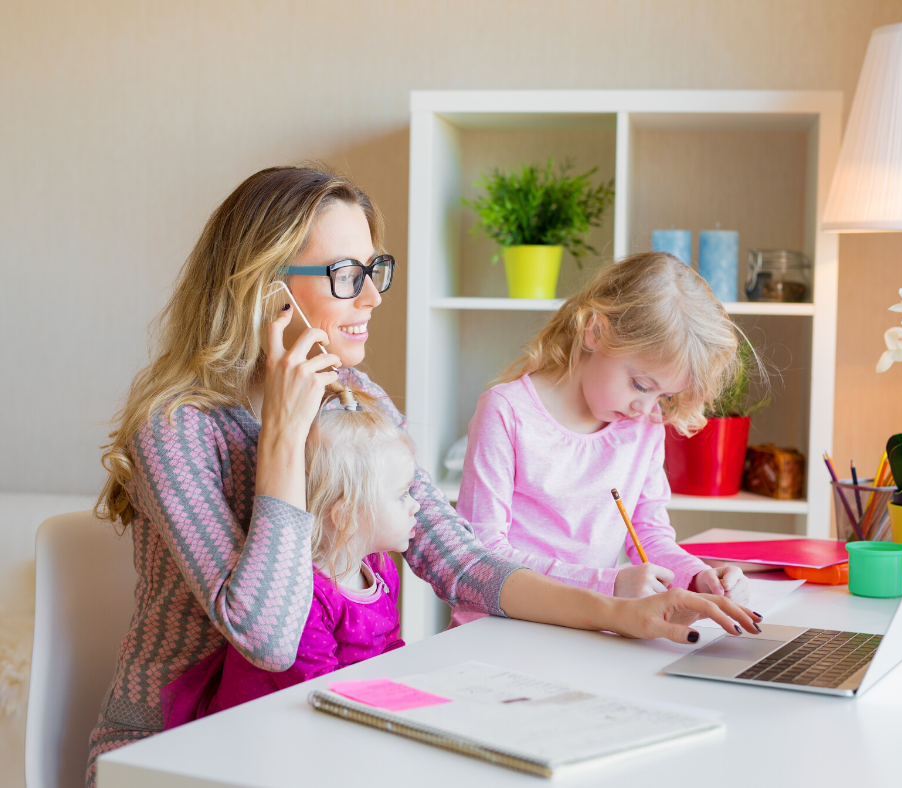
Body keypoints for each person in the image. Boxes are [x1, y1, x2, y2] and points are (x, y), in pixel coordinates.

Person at [87, 165, 759, 786]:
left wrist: (622, 612)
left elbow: (462, 560)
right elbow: (268, 638)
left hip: (303, 731)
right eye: (345, 274)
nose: (372, 296)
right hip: (175, 752)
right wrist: (284, 437)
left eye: (374, 270)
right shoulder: (179, 428)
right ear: (266, 290)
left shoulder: (355, 399)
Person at [452, 252, 752, 627]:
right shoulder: (506, 412)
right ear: (595, 331)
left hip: (585, 628)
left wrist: (698, 576)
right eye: (640, 385)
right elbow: (482, 557)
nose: (646, 408)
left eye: (663, 395)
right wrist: (607, 585)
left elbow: (650, 536)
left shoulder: (645, 425)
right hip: (499, 628)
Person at [161, 403, 417, 726]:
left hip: (332, 716)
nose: (415, 505)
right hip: (260, 730)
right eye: (402, 495)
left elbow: (390, 645)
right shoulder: (301, 595)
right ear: (347, 515)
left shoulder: (380, 570)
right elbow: (318, 690)